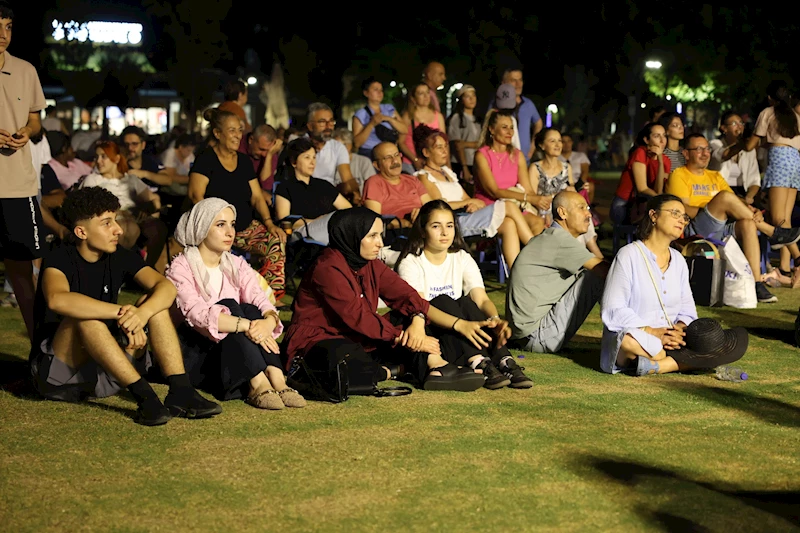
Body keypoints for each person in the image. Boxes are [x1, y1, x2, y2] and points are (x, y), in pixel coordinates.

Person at [29, 187, 222, 426]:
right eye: (106, 223)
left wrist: (142, 314)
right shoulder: (59, 257)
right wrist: (122, 313)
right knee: (86, 319)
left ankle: (181, 390)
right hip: (59, 376)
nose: (118, 229)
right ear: (81, 232)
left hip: (103, 369)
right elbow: (58, 299)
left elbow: (166, 288)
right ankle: (146, 399)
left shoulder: (118, 255)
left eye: (116, 220)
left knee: (155, 305)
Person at [281, 207, 485, 392]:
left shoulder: (369, 263)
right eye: (372, 236)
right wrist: (402, 337)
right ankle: (393, 370)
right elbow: (357, 316)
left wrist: (417, 319)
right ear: (352, 235)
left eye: (380, 235)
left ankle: (437, 367)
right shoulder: (328, 268)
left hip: (359, 337)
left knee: (412, 318)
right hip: (321, 339)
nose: (380, 243)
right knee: (344, 361)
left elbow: (405, 294)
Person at [166, 198, 305, 410]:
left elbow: (259, 297)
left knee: (251, 309)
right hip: (197, 351)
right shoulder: (181, 267)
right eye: (220, 225)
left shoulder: (235, 263)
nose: (230, 232)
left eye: (232, 224)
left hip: (235, 348)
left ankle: (277, 379)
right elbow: (197, 315)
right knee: (230, 306)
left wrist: (268, 321)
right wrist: (247, 325)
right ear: (202, 227)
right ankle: (258, 384)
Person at [601, 194, 748, 375]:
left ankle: (657, 366)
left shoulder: (678, 260)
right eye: (675, 213)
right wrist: (654, 332)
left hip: (673, 341)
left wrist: (678, 329)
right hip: (640, 336)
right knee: (628, 342)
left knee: (720, 340)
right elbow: (613, 309)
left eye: (684, 217)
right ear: (653, 215)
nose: (682, 220)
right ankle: (684, 361)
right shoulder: (628, 255)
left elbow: (687, 311)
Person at [396, 201, 533, 388]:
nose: (444, 232)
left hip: (458, 328)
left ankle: (504, 360)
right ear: (423, 230)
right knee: (443, 301)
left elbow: (481, 299)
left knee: (466, 303)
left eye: (449, 226)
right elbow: (420, 308)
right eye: (436, 226)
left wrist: (494, 320)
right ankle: (478, 362)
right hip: (429, 330)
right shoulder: (411, 262)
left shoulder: (461, 257)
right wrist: (460, 324)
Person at [665, 133, 800, 303]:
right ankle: (771, 232)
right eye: (699, 149)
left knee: (748, 223)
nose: (705, 153)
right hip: (695, 229)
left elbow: (735, 201)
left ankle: (756, 284)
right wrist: (715, 207)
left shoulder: (714, 176)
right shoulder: (678, 175)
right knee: (723, 198)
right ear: (686, 153)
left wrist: (751, 210)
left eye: (707, 149)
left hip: (721, 225)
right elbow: (683, 210)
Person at [189, 108, 287, 300]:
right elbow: (195, 196)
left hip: (244, 228)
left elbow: (257, 196)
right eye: (232, 130)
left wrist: (269, 223)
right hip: (213, 228)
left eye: (239, 130)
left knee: (275, 240)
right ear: (218, 133)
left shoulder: (243, 161)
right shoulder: (206, 159)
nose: (237, 135)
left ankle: (268, 298)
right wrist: (214, 224)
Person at [413, 125, 533, 267]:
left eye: (445, 146)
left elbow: (466, 199)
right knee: (508, 205)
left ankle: (516, 271)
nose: (445, 151)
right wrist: (467, 202)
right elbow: (439, 206)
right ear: (426, 152)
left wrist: (471, 203)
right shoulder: (424, 176)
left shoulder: (447, 172)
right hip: (452, 223)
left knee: (509, 223)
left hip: (466, 215)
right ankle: (536, 249)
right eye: (439, 148)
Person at [507, 191, 609, 353]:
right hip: (536, 335)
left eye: (588, 208)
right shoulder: (559, 240)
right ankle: (626, 338)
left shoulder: (551, 237)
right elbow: (605, 271)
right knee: (597, 276)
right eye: (581, 208)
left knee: (594, 273)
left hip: (525, 335)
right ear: (562, 213)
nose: (588, 214)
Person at [0, 1, 46, 340]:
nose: (3, 34)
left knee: (22, 272)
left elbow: (35, 119)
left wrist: (28, 131)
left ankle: (39, 351)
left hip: (18, 186)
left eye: (8, 26)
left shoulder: (26, 70)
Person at [80, 142, 168, 270]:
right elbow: (87, 206)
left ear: (116, 159)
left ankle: (146, 267)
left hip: (133, 216)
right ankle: (121, 268)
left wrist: (148, 209)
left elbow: (154, 199)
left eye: (103, 156)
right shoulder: (93, 179)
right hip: (111, 217)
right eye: (96, 157)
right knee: (124, 227)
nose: (98, 161)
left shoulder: (130, 180)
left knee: (157, 228)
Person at [744, 81, 800, 281]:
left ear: (770, 98)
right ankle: (784, 268)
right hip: (795, 162)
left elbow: (750, 145)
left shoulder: (768, 112)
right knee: (785, 219)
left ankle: (798, 258)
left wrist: (744, 142)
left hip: (780, 162)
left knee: (777, 219)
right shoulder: (795, 116)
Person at [473, 109, 545, 235]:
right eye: (504, 127)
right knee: (510, 223)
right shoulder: (482, 155)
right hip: (490, 205)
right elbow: (494, 191)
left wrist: (540, 203)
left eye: (512, 128)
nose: (510, 132)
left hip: (515, 204)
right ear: (492, 129)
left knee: (537, 222)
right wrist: (528, 198)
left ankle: (530, 248)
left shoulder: (517, 155)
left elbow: (527, 189)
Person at [274, 138, 352, 245]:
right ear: (293, 162)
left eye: (314, 157)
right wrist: (318, 222)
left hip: (329, 229)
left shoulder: (323, 185)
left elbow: (348, 209)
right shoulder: (285, 187)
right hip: (303, 234)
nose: (312, 162)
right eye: (307, 157)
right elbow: (285, 221)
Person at [609, 123, 669, 225]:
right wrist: (661, 201)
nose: (662, 140)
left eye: (664, 135)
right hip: (625, 205)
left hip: (645, 205)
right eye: (656, 136)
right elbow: (642, 188)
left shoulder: (665, 160)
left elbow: (658, 190)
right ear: (646, 140)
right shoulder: (640, 152)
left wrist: (660, 160)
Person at [363, 142, 434, 227]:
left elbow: (431, 208)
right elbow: (374, 221)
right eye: (388, 158)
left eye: (397, 155)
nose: (395, 161)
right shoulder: (374, 182)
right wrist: (407, 224)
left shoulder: (412, 180)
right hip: (399, 231)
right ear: (377, 165)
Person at [305, 102, 361, 204]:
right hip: (304, 194)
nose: (328, 126)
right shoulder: (298, 145)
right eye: (322, 122)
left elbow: (347, 178)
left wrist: (354, 191)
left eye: (331, 121)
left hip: (329, 197)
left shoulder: (337, 147)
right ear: (310, 126)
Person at [709, 111, 760, 204]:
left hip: (742, 193)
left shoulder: (749, 151)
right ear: (724, 128)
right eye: (734, 124)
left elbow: (754, 180)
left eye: (741, 123)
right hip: (719, 192)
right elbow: (723, 155)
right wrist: (743, 144)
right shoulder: (715, 144)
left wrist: (749, 197)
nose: (739, 126)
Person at [528, 128, 575, 224]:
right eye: (552, 141)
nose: (557, 145)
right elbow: (533, 198)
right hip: (542, 213)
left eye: (559, 141)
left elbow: (572, 192)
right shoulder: (535, 168)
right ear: (542, 145)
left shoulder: (567, 167)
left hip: (565, 212)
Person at [352, 77, 408, 157]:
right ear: (366, 93)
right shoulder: (361, 114)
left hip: (389, 151)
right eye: (375, 90)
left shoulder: (389, 108)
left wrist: (388, 119)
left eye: (381, 90)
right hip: (369, 152)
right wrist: (371, 124)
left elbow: (404, 129)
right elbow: (357, 143)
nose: (380, 93)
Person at [497, 68, 543, 161]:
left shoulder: (528, 104)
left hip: (524, 159)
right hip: (503, 159)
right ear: (504, 83)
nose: (518, 84)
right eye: (513, 80)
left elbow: (538, 123)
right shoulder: (497, 104)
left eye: (520, 80)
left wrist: (532, 147)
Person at [399, 83, 446, 173]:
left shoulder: (438, 116)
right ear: (413, 98)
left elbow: (444, 141)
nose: (426, 96)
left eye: (427, 92)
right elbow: (401, 142)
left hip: (433, 163)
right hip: (410, 163)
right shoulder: (408, 116)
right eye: (421, 93)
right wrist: (415, 160)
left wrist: (446, 163)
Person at [446, 84, 482, 183]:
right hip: (461, 163)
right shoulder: (457, 118)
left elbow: (482, 143)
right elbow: (457, 144)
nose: (471, 99)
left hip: (476, 162)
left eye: (473, 96)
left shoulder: (478, 119)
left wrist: (466, 144)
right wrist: (464, 167)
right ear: (461, 100)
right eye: (467, 96)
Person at [121, 125, 171, 192]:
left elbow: (168, 180)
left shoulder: (151, 160)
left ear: (143, 145)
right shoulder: (120, 164)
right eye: (126, 144)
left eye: (134, 144)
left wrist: (145, 174)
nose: (130, 148)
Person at [240, 124, 283, 199]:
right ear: (251, 140)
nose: (264, 154)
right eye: (261, 149)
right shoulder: (238, 145)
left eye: (267, 151)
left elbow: (266, 185)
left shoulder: (271, 152)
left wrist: (269, 156)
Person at [559, 131, 595, 204]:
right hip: (561, 184)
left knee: (590, 186)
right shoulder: (556, 157)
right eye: (563, 142)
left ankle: (588, 206)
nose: (566, 144)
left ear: (572, 142)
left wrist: (578, 185)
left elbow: (585, 172)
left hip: (578, 183)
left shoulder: (580, 156)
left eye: (569, 141)